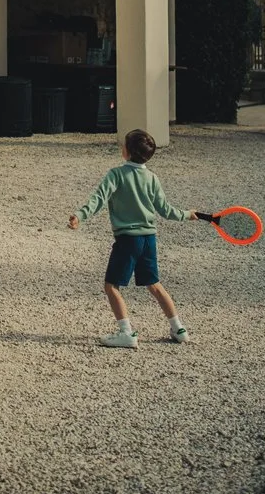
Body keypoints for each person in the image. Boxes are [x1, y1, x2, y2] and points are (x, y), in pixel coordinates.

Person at [68, 127, 199, 348]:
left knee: (111, 286)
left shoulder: (116, 175)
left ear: (126, 152)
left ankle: (126, 333)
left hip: (128, 240)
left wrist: (80, 215)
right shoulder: (152, 178)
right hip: (149, 239)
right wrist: (188, 214)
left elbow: (98, 198)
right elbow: (165, 210)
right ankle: (179, 328)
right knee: (155, 285)